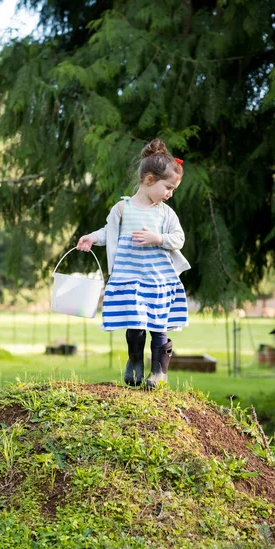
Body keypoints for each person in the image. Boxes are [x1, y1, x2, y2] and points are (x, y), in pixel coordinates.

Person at [77, 139, 190, 389]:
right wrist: (92, 238)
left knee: (158, 326)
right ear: (149, 180)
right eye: (168, 187)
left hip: (157, 280)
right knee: (136, 324)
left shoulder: (165, 213)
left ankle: (159, 372)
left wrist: (158, 238)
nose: (170, 194)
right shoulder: (122, 208)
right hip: (131, 279)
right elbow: (110, 232)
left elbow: (178, 239)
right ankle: (135, 364)